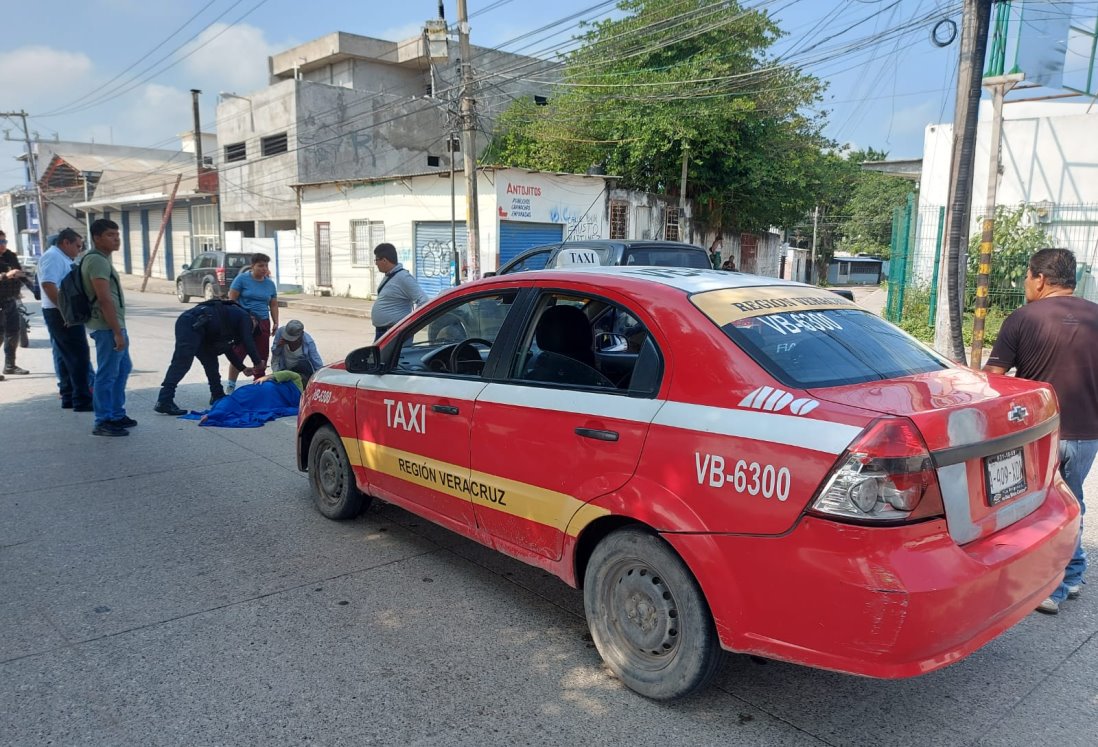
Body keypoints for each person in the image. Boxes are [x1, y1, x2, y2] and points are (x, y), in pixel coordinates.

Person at [984, 248, 1098, 615]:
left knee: (1037, 505)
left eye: (1026, 277)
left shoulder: (1022, 319)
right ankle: (1073, 571)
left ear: (1041, 279)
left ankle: (1058, 582)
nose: (1024, 284)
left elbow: (994, 380)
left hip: (1038, 431)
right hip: (1086, 432)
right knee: (1071, 499)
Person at [154, 300, 265, 416]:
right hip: (191, 323)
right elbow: (248, 341)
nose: (251, 331)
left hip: (202, 330)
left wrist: (241, 367)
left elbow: (227, 347)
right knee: (182, 362)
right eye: (253, 328)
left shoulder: (232, 319)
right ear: (254, 319)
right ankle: (164, 400)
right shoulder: (245, 316)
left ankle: (217, 395)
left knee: (211, 362)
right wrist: (258, 363)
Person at [82, 218, 135, 437]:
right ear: (96, 238)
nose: (116, 239)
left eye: (117, 234)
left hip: (112, 325)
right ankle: (102, 420)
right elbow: (104, 299)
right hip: (107, 327)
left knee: (122, 368)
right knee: (107, 374)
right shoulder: (97, 261)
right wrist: (116, 332)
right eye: (110, 235)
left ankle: (115, 413)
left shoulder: (102, 259)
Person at [38, 228, 94, 410]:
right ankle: (82, 399)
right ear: (65, 242)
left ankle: (69, 396)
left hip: (61, 311)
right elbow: (48, 284)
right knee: (78, 356)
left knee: (66, 356)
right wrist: (65, 312)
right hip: (59, 312)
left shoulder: (61, 256)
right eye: (77, 246)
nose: (79, 249)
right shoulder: (53, 256)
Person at [225, 252, 277, 392]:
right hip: (244, 322)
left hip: (263, 323)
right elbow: (232, 301)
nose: (264, 269)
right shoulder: (241, 279)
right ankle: (230, 385)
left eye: (266, 266)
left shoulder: (270, 284)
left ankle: (258, 385)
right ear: (252, 266)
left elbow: (273, 304)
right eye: (260, 265)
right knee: (238, 353)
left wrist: (275, 322)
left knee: (262, 355)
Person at [371, 242, 427, 340]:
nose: (375, 263)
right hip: (384, 331)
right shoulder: (390, 275)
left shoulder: (403, 277)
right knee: (378, 355)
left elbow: (424, 300)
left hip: (395, 332)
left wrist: (409, 324)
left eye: (376, 260)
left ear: (384, 260)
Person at [0, 230, 30, 377]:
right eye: (0, 242)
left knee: (14, 332)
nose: (3, 245)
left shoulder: (10, 256)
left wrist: (35, 289)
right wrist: (6, 275)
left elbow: (19, 272)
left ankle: (10, 366)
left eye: (4, 241)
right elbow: (10, 274)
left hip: (11, 300)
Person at [271, 319, 323, 384]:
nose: (288, 340)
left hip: (301, 371)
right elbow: (275, 356)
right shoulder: (280, 333)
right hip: (283, 368)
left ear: (301, 335)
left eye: (292, 339)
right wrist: (276, 375)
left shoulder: (308, 342)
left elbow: (316, 362)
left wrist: (320, 380)